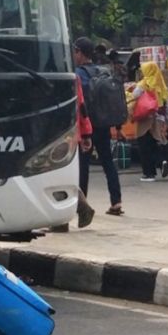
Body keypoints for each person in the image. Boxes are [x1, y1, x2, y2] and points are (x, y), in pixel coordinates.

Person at [72, 38, 123, 219]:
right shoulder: (103, 71)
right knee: (108, 162)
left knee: (83, 166)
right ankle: (116, 201)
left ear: (79, 52)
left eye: (75, 52)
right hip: (104, 124)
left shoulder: (78, 74)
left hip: (87, 126)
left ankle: (82, 206)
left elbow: (80, 105)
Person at [69, 38, 97, 229]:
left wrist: (86, 134)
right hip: (71, 132)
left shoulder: (72, 76)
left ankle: (81, 206)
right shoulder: (73, 75)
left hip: (62, 131)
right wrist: (86, 134)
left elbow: (81, 107)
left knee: (56, 175)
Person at [129, 62, 168, 181]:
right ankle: (162, 160)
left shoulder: (144, 83)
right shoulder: (161, 84)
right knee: (154, 144)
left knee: (144, 146)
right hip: (158, 119)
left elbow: (134, 95)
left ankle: (148, 174)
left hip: (145, 118)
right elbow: (166, 105)